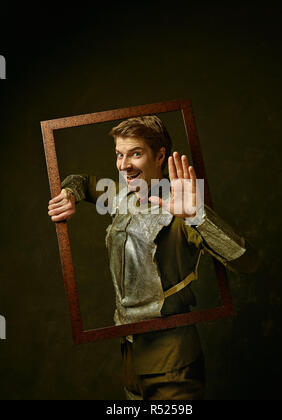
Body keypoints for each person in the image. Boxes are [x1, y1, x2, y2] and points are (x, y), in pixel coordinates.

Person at [48, 116, 259, 400]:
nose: (124, 165)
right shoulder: (121, 196)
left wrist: (198, 216)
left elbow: (247, 262)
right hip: (131, 358)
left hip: (174, 365)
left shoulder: (184, 209)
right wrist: (69, 193)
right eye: (119, 155)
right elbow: (82, 182)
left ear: (160, 155)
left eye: (135, 153)